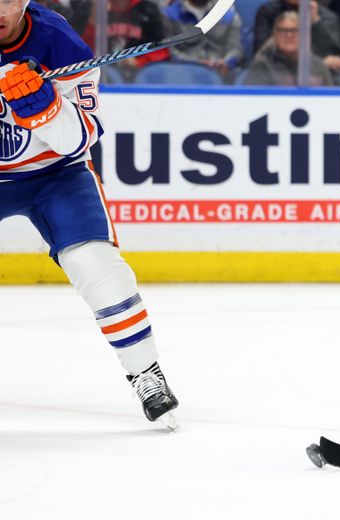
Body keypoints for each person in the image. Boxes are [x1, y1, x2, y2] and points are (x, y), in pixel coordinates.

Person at [0, 0, 178, 428]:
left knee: (96, 265)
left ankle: (146, 373)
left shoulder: (59, 43)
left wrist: (46, 109)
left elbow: (80, 138)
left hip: (55, 173)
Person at [81, 0, 170, 83]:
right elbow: (83, 50)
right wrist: (92, 20)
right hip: (103, 77)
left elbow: (160, 49)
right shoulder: (94, 7)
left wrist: (139, 62)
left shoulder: (148, 10)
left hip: (143, 79)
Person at [244, 11, 333, 86]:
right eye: (283, 30)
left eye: (294, 30)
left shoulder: (318, 67)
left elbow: (330, 101)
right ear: (274, 36)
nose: (289, 35)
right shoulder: (262, 67)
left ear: (305, 36)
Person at [163, 0, 243, 82]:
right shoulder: (170, 14)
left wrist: (226, 63)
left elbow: (235, 48)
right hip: (183, 74)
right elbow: (170, 51)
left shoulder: (227, 15)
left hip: (220, 73)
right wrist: (195, 64)